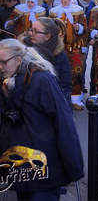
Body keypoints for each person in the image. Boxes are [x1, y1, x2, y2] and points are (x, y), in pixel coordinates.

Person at [0, 38, 84, 201]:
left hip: (46, 168)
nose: (0, 67)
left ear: (18, 60)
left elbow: (64, 122)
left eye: (3, 62)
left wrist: (74, 167)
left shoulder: (43, 80)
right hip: (20, 170)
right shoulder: (6, 82)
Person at [19, 17, 72, 107]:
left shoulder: (60, 56)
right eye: (31, 29)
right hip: (24, 104)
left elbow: (65, 87)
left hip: (50, 105)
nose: (31, 34)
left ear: (47, 36)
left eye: (36, 31)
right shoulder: (21, 51)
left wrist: (65, 113)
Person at [49, 0, 87, 110]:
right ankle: (61, 99)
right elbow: (49, 28)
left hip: (75, 47)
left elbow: (86, 28)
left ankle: (76, 99)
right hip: (59, 49)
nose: (65, 1)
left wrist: (79, 28)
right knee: (59, 74)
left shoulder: (78, 11)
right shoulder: (54, 12)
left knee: (77, 72)